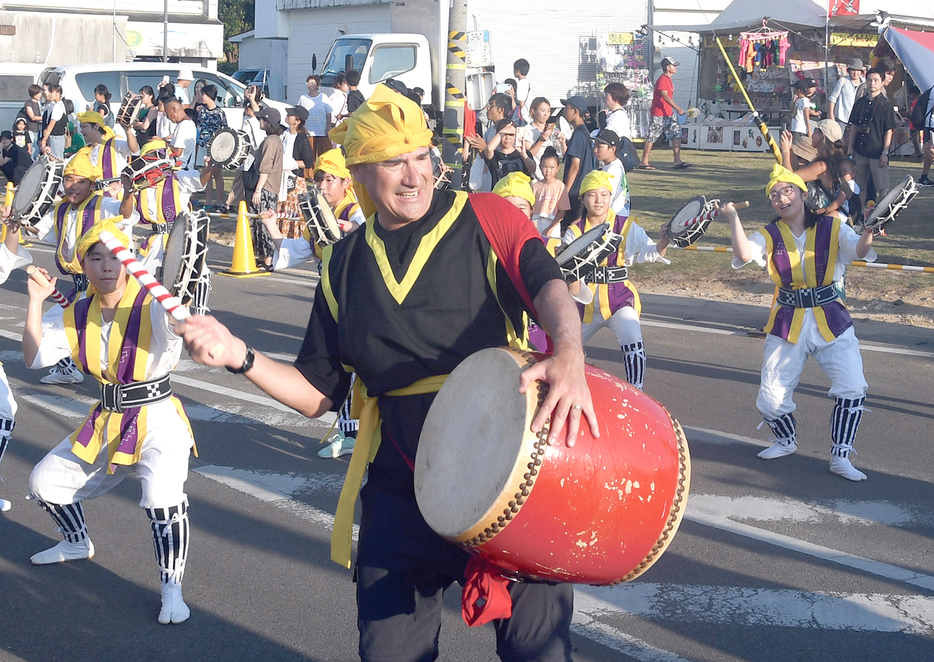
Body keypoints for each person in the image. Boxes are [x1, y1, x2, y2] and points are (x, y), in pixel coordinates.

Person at [178, 83, 597, 661]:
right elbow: (316, 394)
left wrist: (569, 352)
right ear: (359, 175)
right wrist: (238, 356)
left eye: (421, 156)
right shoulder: (344, 264)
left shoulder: (486, 217)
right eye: (393, 162)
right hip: (401, 486)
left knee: (538, 654)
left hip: (509, 474)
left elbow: (548, 283)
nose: (413, 175)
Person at [23, 220, 198, 623]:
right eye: (95, 258)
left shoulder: (153, 302)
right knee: (43, 482)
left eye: (115, 257)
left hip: (158, 420)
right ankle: (76, 542)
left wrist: (177, 315)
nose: (106, 266)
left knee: (162, 502)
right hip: (106, 420)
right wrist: (35, 301)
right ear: (83, 265)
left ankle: (173, 588)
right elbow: (33, 357)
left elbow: (175, 325)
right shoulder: (76, 310)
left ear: (129, 261)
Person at [724, 164, 875, 481]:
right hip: (787, 321)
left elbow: (858, 250)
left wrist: (870, 231)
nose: (781, 198)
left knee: (852, 387)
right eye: (775, 195)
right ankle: (785, 440)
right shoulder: (768, 234)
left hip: (831, 317)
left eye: (788, 190)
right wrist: (733, 218)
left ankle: (841, 456)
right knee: (770, 399)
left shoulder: (834, 226)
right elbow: (742, 252)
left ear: (804, 194)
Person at [26, 150, 138, 384]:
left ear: (92, 185)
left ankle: (125, 381)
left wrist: (129, 191)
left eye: (81, 182)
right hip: (79, 287)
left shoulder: (102, 204)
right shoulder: (61, 210)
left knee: (118, 338)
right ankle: (69, 369)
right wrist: (16, 218)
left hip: (103, 288)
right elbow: (38, 230)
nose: (73, 186)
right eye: (69, 180)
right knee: (44, 329)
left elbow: (125, 213)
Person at [564, 170, 669, 390]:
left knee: (633, 338)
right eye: (592, 195)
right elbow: (567, 272)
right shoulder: (575, 232)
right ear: (583, 199)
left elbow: (650, 252)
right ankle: (568, 387)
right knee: (564, 345)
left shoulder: (626, 225)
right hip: (585, 304)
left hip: (620, 300)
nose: (599, 200)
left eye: (604, 194)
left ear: (611, 196)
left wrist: (663, 241)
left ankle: (637, 391)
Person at [780, 119, 854, 221]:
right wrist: (791, 149)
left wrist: (785, 151)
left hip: (828, 216)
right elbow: (795, 170)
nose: (812, 135)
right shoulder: (832, 159)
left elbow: (789, 178)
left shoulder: (822, 166)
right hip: (834, 214)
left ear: (822, 135)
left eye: (815, 131)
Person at [847, 67, 897, 208]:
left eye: (875, 80)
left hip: (877, 151)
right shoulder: (860, 102)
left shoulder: (886, 105)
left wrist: (885, 153)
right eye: (869, 80)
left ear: (882, 82)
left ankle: (880, 215)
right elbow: (854, 126)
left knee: (882, 187)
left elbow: (889, 130)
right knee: (859, 185)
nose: (872, 83)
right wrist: (850, 148)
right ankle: (863, 214)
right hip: (860, 150)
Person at [248, 107, 284, 269]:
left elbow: (265, 168)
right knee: (259, 223)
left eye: (262, 119)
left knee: (264, 223)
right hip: (269, 187)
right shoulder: (273, 140)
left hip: (266, 187)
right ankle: (262, 256)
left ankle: (268, 258)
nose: (259, 121)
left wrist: (258, 190)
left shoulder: (271, 141)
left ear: (267, 122)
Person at [641, 57, 689, 170]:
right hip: (659, 113)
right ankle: (644, 161)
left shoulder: (668, 79)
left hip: (668, 112)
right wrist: (677, 108)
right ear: (668, 67)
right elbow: (664, 95)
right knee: (652, 136)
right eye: (673, 65)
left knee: (676, 134)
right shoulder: (663, 79)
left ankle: (677, 160)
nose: (675, 67)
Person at [224, 87, 267, 211]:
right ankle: (232, 202)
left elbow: (257, 117)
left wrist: (252, 100)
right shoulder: (246, 114)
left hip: (254, 154)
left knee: (250, 181)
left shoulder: (258, 114)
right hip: (244, 153)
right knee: (239, 178)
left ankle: (237, 202)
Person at [76, 110, 136, 198]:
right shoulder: (86, 151)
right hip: (96, 200)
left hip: (118, 197)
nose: (81, 131)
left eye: (84, 126)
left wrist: (127, 130)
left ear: (96, 127)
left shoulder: (115, 142)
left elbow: (134, 150)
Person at [277, 106, 315, 237]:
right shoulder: (284, 133)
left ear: (297, 121)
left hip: (295, 180)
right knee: (281, 207)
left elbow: (308, 163)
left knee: (294, 209)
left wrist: (291, 164)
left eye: (291, 115)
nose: (288, 116)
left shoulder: (302, 138)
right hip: (281, 178)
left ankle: (296, 236)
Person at [560, 95, 595, 224]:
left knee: (569, 230)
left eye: (566, 107)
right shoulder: (584, 133)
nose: (564, 111)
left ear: (575, 111)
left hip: (575, 192)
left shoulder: (578, 135)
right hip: (583, 189)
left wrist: (565, 192)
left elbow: (575, 166)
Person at [195, 85, 228, 211]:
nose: (202, 97)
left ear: (209, 96)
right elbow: (199, 128)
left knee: (217, 173)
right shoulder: (202, 112)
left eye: (203, 94)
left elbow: (224, 130)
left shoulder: (220, 113)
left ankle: (219, 201)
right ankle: (208, 200)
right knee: (206, 173)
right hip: (204, 145)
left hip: (216, 148)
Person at [531, 146, 570, 240]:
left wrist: (550, 228)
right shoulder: (536, 186)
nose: (548, 171)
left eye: (551, 167)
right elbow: (530, 207)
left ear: (557, 168)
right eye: (545, 167)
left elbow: (563, 210)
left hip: (552, 223)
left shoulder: (560, 186)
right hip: (536, 222)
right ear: (540, 167)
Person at [482, 119, 536, 183]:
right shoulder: (494, 154)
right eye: (504, 134)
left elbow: (532, 169)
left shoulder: (523, 152)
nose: (507, 137)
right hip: (501, 191)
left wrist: (524, 155)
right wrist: (504, 130)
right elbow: (489, 149)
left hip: (520, 191)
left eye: (511, 134)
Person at [593, 129, 630, 218]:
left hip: (614, 216)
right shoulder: (617, 163)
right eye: (594, 145)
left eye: (599, 147)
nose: (595, 150)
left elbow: (606, 197)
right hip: (621, 213)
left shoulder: (612, 170)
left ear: (612, 149)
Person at [298, 75, 333, 163]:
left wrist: (328, 128)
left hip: (322, 132)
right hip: (309, 132)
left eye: (313, 83)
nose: (310, 85)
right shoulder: (303, 98)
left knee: (324, 156)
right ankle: (309, 175)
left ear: (317, 86)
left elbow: (328, 113)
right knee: (309, 156)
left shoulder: (324, 97)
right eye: (308, 83)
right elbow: (299, 113)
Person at [788, 78, 820, 165]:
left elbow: (806, 117)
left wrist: (809, 130)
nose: (793, 90)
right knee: (793, 150)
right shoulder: (797, 100)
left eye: (795, 89)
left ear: (799, 90)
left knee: (799, 151)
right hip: (794, 127)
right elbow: (792, 114)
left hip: (801, 128)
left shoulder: (805, 101)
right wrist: (792, 103)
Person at [828, 59, 864, 136]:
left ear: (861, 72)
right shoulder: (843, 81)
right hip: (842, 118)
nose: (855, 73)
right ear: (849, 71)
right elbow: (833, 99)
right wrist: (832, 116)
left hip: (857, 121)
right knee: (839, 142)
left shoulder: (864, 84)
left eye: (858, 70)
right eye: (853, 70)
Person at [164, 98, 198, 171]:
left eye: (167, 112)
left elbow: (178, 152)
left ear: (174, 109)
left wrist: (164, 143)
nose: (167, 117)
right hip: (186, 169)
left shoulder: (183, 125)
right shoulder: (189, 122)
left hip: (181, 171)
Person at [40, 84, 67, 160]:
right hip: (55, 137)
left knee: (56, 159)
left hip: (56, 137)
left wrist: (44, 140)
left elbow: (51, 124)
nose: (50, 94)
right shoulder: (55, 105)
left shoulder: (58, 106)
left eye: (52, 92)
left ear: (58, 94)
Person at [23, 84, 44, 159]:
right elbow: (32, 117)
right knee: (34, 148)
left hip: (38, 128)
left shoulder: (39, 103)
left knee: (37, 147)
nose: (40, 95)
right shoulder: (29, 103)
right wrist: (44, 118)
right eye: (38, 93)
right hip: (31, 128)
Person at [513, 58, 531, 123]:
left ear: (518, 71)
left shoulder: (521, 83)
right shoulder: (526, 82)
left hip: (523, 118)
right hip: (527, 117)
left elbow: (521, 103)